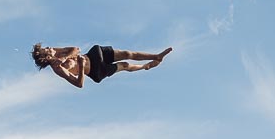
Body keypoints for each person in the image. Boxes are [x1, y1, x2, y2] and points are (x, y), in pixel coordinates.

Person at [32, 44, 172, 88]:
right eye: (47, 49)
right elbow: (79, 84)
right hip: (96, 70)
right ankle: (145, 67)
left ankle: (156, 56)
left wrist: (65, 56)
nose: (50, 47)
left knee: (127, 53)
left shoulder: (58, 52)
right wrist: (80, 66)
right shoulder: (58, 69)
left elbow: (76, 49)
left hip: (94, 55)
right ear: (47, 57)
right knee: (124, 65)